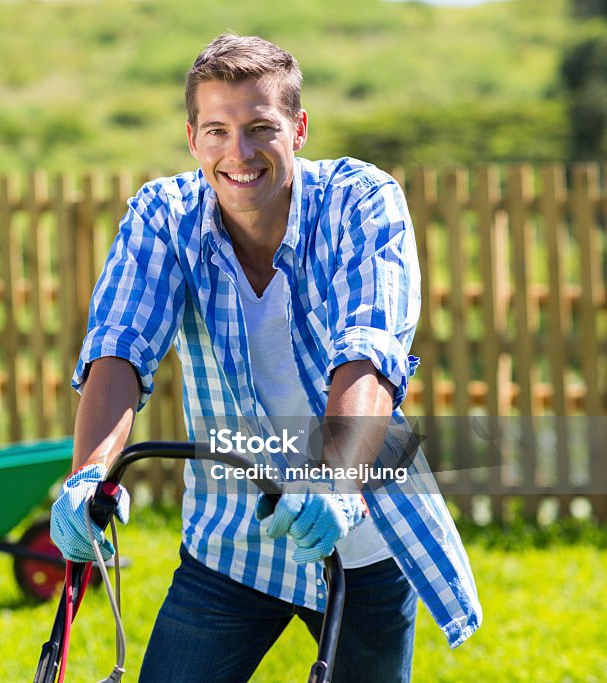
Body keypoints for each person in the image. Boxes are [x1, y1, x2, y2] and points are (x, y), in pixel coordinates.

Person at [50, 34, 481, 682]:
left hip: (352, 529)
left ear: (299, 128)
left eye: (260, 128)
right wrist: (89, 474)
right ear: (192, 138)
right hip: (230, 541)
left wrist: (334, 483)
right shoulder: (163, 217)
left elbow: (367, 351)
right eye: (217, 130)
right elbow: (120, 346)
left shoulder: (360, 202)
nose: (238, 153)